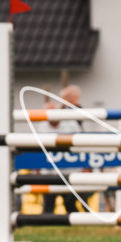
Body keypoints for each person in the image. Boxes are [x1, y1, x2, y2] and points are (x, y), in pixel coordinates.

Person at [40, 85, 84, 213]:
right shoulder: (42, 125)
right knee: (48, 204)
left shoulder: (71, 122)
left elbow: (81, 142)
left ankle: (78, 221)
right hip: (49, 172)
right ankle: (46, 224)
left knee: (70, 203)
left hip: (69, 169)